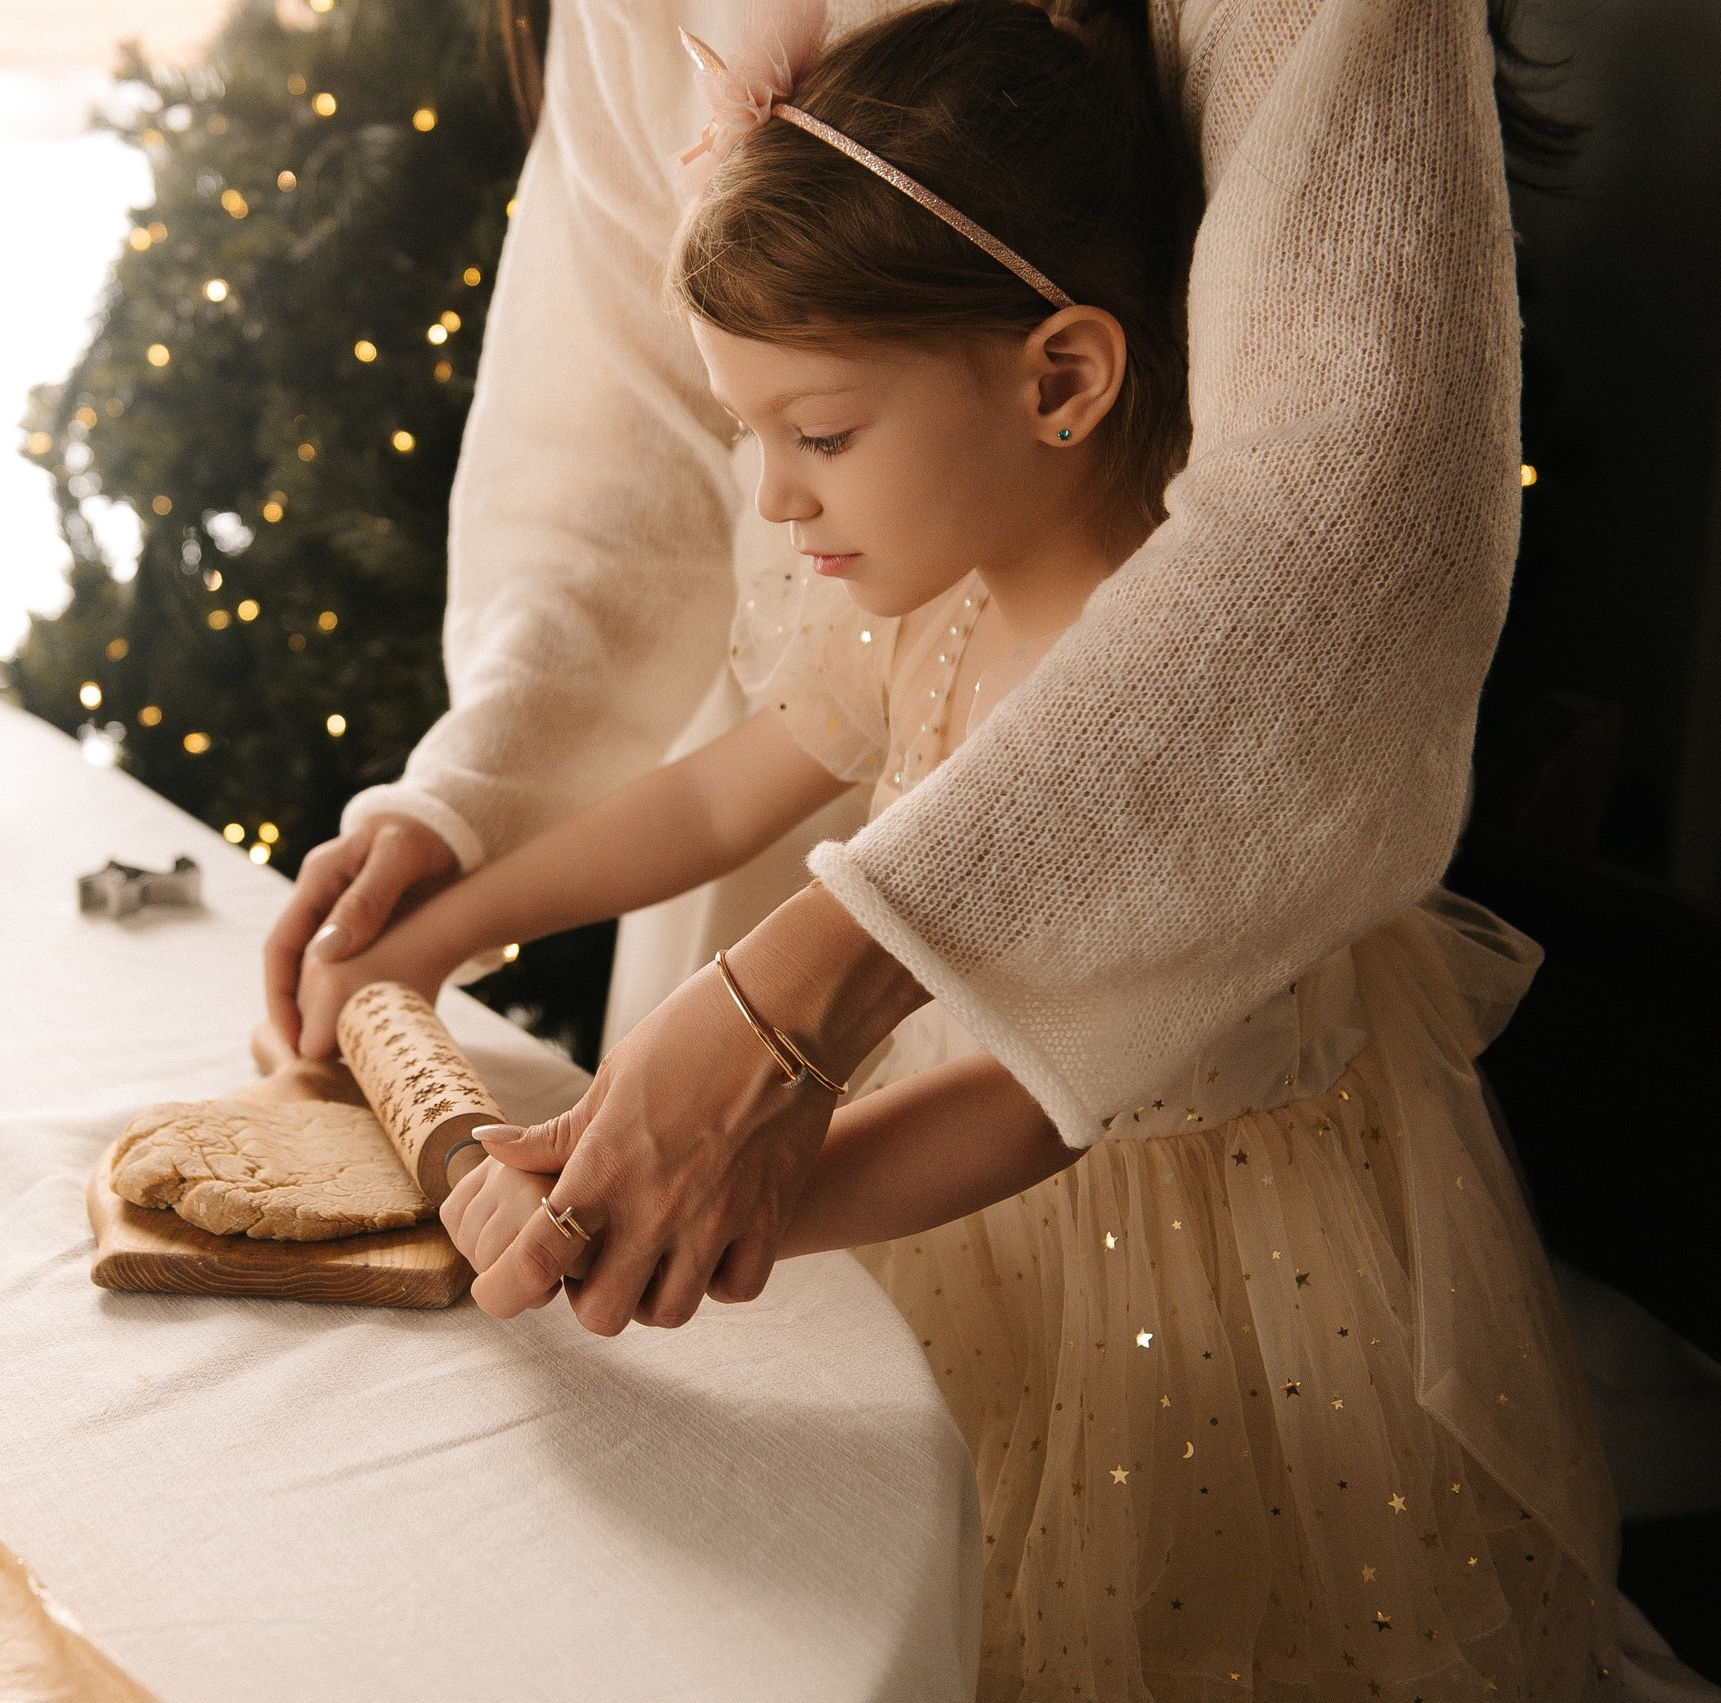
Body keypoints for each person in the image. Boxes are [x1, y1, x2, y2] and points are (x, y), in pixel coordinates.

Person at [290, 2, 1627, 1694]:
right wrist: (446, 892)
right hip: (923, 1240)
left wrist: (732, 1207)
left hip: (1206, 1334)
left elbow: (1039, 1103)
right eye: (751, 436)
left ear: (1063, 377)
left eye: (820, 436)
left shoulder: (1174, 775)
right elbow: (707, 798)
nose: (772, 504)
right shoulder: (912, 624)